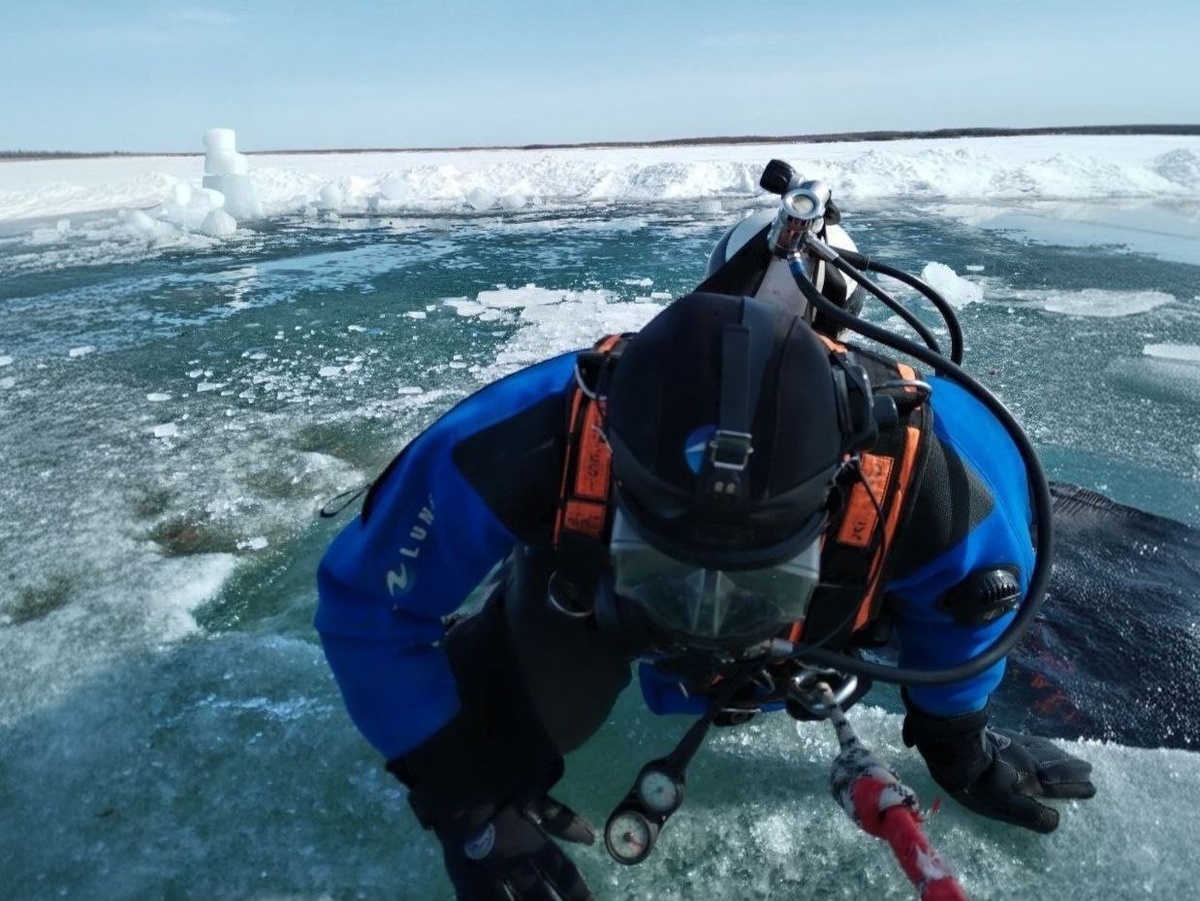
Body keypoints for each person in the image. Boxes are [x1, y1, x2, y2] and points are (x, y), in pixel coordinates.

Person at [315, 213, 1096, 899]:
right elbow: (370, 600)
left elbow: (972, 608)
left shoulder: (938, 477)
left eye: (755, 581)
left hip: (825, 629)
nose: (711, 617)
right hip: (606, 617)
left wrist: (956, 740)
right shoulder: (539, 430)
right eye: (672, 570)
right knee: (500, 705)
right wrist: (464, 794)